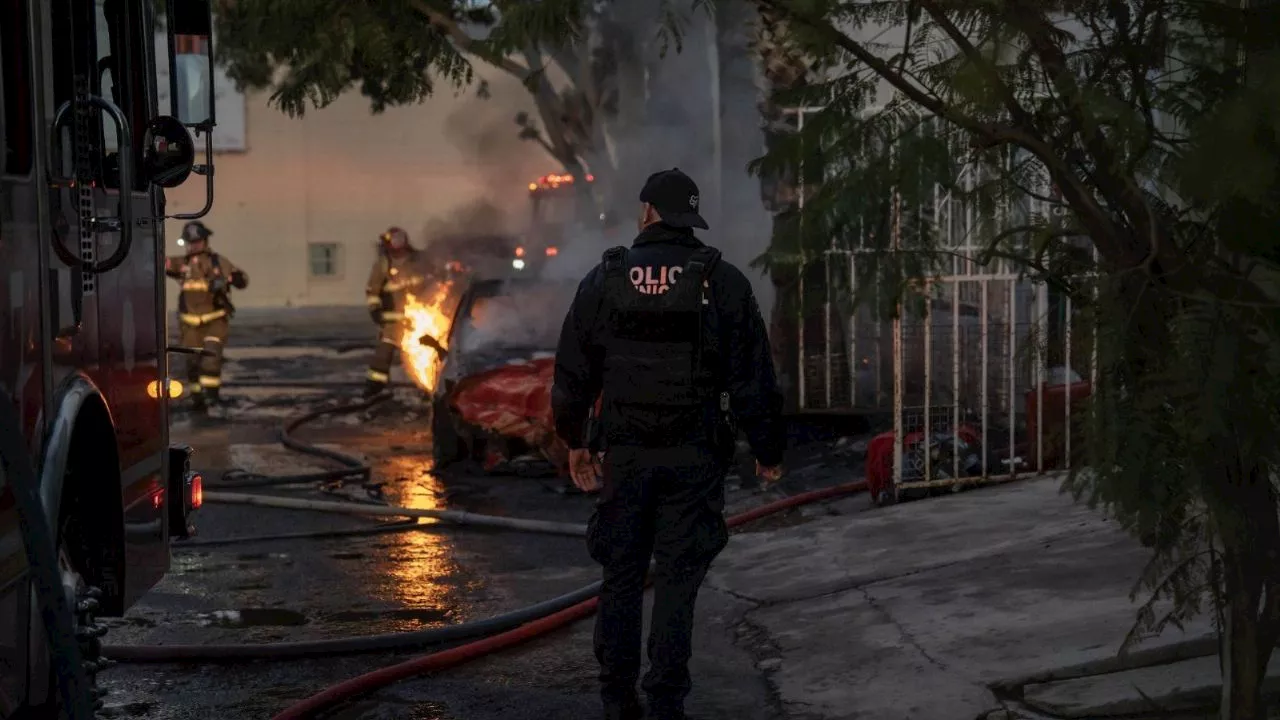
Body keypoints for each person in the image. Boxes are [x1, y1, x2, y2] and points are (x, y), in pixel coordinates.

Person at [552, 168, 786, 720]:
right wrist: (769, 449)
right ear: (689, 220)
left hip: (626, 457)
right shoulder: (721, 280)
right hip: (695, 456)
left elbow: (572, 373)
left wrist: (575, 441)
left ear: (646, 213)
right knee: (679, 578)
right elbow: (754, 378)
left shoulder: (605, 278)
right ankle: (665, 700)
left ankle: (616, 697)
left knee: (622, 574)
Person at [164, 220, 249, 418]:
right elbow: (161, 263)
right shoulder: (182, 264)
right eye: (190, 242)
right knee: (191, 363)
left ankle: (212, 398)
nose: (194, 245)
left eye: (198, 241)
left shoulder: (218, 262)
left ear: (205, 241)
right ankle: (197, 400)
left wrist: (227, 279)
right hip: (189, 324)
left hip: (215, 321)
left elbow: (242, 280)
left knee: (210, 359)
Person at [364, 226, 424, 397]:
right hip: (392, 321)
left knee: (426, 354)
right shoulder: (384, 263)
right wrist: (375, 309)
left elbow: (431, 281)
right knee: (383, 354)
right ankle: (375, 385)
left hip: (419, 319)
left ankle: (430, 388)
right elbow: (372, 289)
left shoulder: (418, 261)